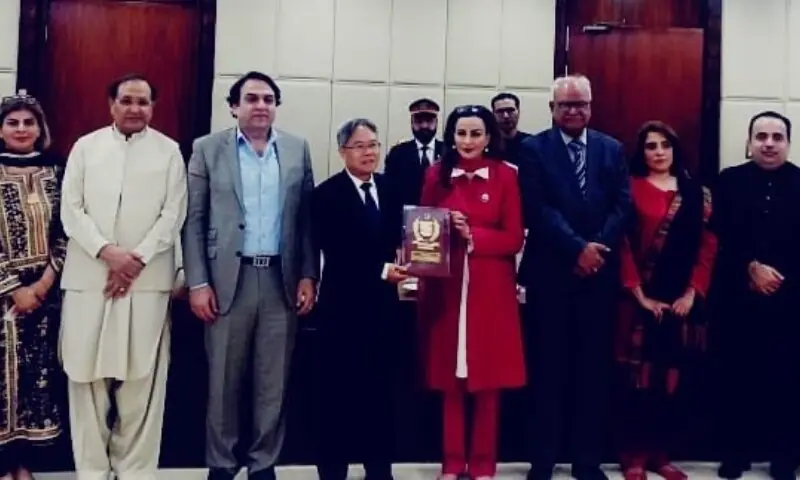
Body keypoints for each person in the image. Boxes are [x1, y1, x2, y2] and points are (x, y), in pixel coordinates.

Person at [182, 70, 318, 480]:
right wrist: (198, 282)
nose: (261, 105)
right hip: (227, 282)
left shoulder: (296, 149)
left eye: (268, 99)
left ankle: (263, 464)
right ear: (234, 106)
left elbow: (306, 220)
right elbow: (193, 219)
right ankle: (221, 464)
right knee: (222, 380)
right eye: (252, 98)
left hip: (280, 279)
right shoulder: (208, 149)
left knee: (272, 383)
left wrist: (309, 274)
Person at [59, 73, 187, 480]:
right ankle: (92, 472)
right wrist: (108, 254)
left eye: (143, 102)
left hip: (146, 284)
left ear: (153, 107)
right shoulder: (86, 147)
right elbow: (71, 211)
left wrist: (135, 261)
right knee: (85, 379)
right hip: (89, 280)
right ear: (111, 104)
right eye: (127, 101)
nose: (135, 109)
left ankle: (134, 472)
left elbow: (173, 214)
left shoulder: (170, 152)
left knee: (141, 384)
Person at [517, 74, 632, 480]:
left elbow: (622, 206)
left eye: (580, 103)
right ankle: (543, 460)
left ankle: (587, 460)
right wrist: (577, 248)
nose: (573, 110)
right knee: (547, 371)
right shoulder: (532, 149)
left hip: (598, 278)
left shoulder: (612, 148)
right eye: (564, 104)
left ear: (590, 106)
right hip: (552, 275)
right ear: (551, 109)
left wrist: (596, 249)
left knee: (592, 372)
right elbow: (537, 208)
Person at [417, 104, 525, 480]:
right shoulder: (435, 175)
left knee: (488, 380)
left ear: (489, 136)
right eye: (461, 133)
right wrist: (443, 229)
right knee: (450, 379)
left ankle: (482, 463)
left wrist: (473, 235)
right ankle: (451, 462)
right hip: (446, 288)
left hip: (489, 289)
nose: (467, 141)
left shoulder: (506, 177)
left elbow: (513, 238)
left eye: (475, 133)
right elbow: (422, 230)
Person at [614, 121, 717, 480]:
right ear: (641, 153)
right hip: (638, 302)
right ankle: (633, 457)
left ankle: (661, 454)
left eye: (665, 145)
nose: (658, 152)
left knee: (671, 379)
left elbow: (708, 248)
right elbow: (622, 245)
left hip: (680, 304)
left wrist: (692, 293)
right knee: (636, 380)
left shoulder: (696, 194)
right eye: (650, 146)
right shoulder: (629, 189)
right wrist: (639, 295)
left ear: (675, 149)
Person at [311, 118, 408, 480]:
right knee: (337, 395)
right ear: (342, 152)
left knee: (380, 394)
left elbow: (404, 240)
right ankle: (333, 470)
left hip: (384, 310)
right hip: (342, 309)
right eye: (359, 146)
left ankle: (379, 469)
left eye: (373, 145)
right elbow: (337, 251)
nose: (369, 152)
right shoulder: (326, 195)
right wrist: (382, 270)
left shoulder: (391, 188)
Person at [712, 111, 800, 480]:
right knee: (736, 378)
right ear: (748, 143)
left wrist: (780, 278)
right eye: (761, 136)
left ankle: (785, 458)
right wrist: (750, 268)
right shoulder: (728, 182)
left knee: (787, 380)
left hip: (790, 301)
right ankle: (735, 453)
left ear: (788, 144)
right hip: (737, 296)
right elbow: (717, 236)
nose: (768, 143)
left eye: (777, 137)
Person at [0, 92, 67, 480]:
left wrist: (42, 285)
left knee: (34, 382)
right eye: (13, 122)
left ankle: (23, 465)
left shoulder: (58, 171)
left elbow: (66, 229)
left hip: (46, 293)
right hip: (4, 293)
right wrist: (13, 288)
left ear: (40, 128)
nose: (22, 129)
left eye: (29, 122)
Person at [384, 98, 444, 207]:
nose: (424, 126)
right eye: (419, 121)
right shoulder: (397, 154)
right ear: (411, 122)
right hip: (404, 219)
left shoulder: (448, 152)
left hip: (440, 218)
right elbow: (388, 193)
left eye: (429, 121)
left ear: (436, 122)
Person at [491, 92, 532, 166]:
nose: (506, 116)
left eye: (510, 110)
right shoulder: (486, 145)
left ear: (518, 112)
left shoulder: (532, 144)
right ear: (493, 114)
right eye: (500, 111)